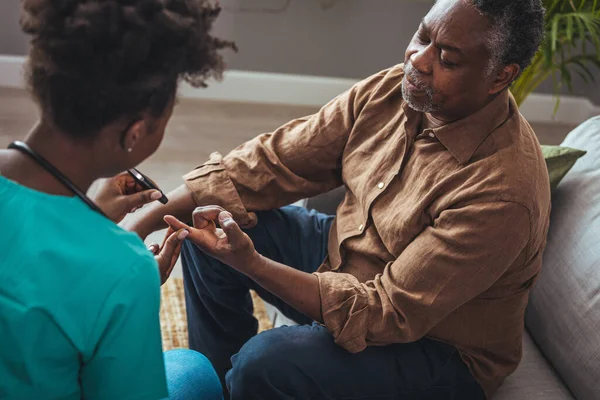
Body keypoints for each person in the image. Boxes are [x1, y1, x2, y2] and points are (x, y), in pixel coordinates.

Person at [128, 0, 549, 399]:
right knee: (210, 225)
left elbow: (386, 312)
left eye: (449, 60)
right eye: (422, 36)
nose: (418, 60)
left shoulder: (503, 192)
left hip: (435, 346)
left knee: (265, 363)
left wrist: (251, 262)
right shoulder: (396, 90)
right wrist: (136, 226)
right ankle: (218, 385)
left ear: (499, 76)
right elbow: (277, 159)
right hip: (349, 252)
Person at [0, 0, 234, 399]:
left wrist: (90, 220)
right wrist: (127, 286)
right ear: (136, 132)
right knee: (194, 372)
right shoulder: (123, 270)